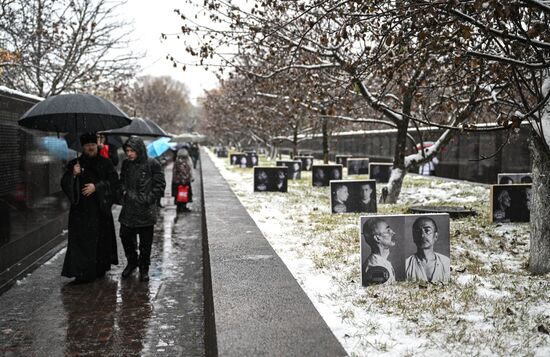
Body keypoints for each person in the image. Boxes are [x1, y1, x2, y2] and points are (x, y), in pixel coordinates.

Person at [60, 133, 119, 284]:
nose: (90, 147)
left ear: (96, 145)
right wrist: (74, 175)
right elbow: (65, 183)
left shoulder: (106, 163)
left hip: (99, 211)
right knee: (81, 243)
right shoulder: (75, 164)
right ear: (83, 147)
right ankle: (81, 272)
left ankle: (98, 269)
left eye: (92, 145)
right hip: (80, 213)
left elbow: (114, 184)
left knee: (99, 241)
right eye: (87, 146)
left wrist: (97, 187)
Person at [119, 136, 166, 282]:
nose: (129, 154)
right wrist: (123, 191)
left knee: (145, 243)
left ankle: (144, 268)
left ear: (139, 150)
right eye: (127, 150)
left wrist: (148, 199)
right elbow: (122, 181)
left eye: (132, 150)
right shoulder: (126, 164)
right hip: (128, 210)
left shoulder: (152, 164)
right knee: (125, 236)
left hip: (145, 211)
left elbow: (160, 185)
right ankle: (132, 262)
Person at [405, 217, 450, 283]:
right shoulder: (406, 265)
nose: (422, 235)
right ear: (413, 236)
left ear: (436, 236)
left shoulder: (446, 263)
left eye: (427, 231)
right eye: (418, 231)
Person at [362, 218, 396, 285]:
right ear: (377, 238)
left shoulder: (382, 262)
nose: (393, 233)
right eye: (388, 230)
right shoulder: (377, 267)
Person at [172, 147, 194, 213]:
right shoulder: (182, 162)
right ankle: (182, 208)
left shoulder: (177, 160)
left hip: (177, 181)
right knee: (183, 195)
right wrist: (185, 180)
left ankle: (181, 207)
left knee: (180, 195)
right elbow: (183, 172)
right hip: (182, 181)